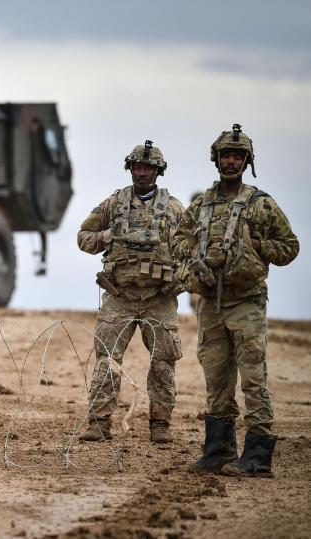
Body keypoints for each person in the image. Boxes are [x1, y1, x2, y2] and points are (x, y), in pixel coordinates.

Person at [174, 124, 299, 476]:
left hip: (246, 303)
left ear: (247, 161)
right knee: (216, 378)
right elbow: (178, 241)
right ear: (216, 160)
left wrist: (258, 246)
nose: (230, 161)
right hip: (210, 305)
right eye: (225, 155)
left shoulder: (261, 204)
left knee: (253, 378)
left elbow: (290, 247)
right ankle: (218, 451)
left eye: (237, 156)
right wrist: (197, 254)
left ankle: (257, 457)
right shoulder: (201, 206)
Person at [77, 140, 184, 443]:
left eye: (148, 168)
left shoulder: (174, 208)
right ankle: (99, 423)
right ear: (130, 169)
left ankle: (160, 425)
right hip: (119, 296)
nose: (142, 172)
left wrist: (180, 278)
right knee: (107, 360)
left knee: (163, 363)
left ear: (158, 171)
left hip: (159, 298)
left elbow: (191, 247)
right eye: (137, 167)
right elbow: (83, 238)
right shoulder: (113, 205)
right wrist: (108, 235)